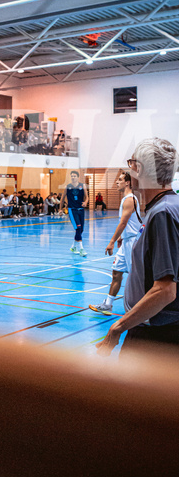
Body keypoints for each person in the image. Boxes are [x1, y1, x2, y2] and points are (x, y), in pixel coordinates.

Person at [97, 138, 179, 355]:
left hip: (156, 336)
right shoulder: (167, 206)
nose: (128, 171)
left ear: (139, 169)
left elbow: (165, 290)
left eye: (131, 164)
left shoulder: (162, 213)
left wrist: (118, 327)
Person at [89, 171, 142, 315]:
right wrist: (121, 237)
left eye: (120, 180)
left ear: (128, 183)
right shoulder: (125, 198)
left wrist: (112, 241)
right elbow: (126, 222)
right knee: (116, 273)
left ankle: (140, 309)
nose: (117, 182)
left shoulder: (130, 199)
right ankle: (108, 304)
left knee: (135, 277)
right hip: (126, 242)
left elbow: (124, 222)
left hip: (132, 243)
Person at [61, 170, 88, 256]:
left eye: (74, 176)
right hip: (72, 210)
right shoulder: (67, 187)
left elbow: (87, 197)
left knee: (81, 230)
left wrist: (86, 202)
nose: (73, 177)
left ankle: (73, 246)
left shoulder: (82, 186)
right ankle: (81, 249)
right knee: (78, 228)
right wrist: (60, 209)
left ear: (77, 177)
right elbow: (62, 199)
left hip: (81, 210)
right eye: (72, 176)